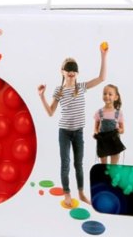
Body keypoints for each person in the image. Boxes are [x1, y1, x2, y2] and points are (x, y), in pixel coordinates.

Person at [38, 46, 107, 207]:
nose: (71, 71)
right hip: (64, 132)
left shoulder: (81, 87)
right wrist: (42, 97)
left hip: (78, 132)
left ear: (77, 73)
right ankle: (67, 193)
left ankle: (81, 193)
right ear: (62, 72)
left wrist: (103, 56)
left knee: (78, 164)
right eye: (68, 69)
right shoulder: (59, 91)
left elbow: (101, 78)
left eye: (74, 69)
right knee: (65, 163)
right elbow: (50, 112)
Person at [93, 84, 126, 164]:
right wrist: (96, 133)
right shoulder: (99, 112)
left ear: (116, 97)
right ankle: (104, 172)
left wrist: (119, 130)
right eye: (104, 94)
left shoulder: (118, 113)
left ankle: (113, 172)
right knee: (103, 165)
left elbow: (122, 130)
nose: (107, 96)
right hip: (103, 140)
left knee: (113, 165)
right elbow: (96, 127)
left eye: (110, 94)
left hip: (114, 140)